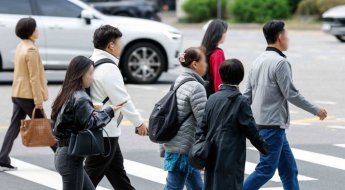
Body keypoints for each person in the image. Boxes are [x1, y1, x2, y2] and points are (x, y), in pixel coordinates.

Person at [243, 20, 328, 190]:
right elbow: (291, 94)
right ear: (280, 37)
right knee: (266, 170)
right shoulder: (280, 63)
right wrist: (316, 110)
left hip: (263, 124)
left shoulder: (258, 61)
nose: (288, 39)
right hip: (272, 126)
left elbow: (247, 95)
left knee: (289, 169)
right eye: (287, 35)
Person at [84, 25, 148, 190]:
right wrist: (139, 123)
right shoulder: (109, 68)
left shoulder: (93, 62)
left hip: (102, 130)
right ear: (111, 45)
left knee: (118, 176)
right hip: (105, 132)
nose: (121, 45)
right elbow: (122, 99)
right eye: (119, 42)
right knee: (87, 179)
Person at [51, 56, 122, 190]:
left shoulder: (67, 93)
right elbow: (92, 123)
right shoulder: (81, 97)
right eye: (90, 73)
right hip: (70, 158)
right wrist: (109, 111)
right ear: (80, 74)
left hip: (65, 154)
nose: (92, 77)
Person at [196, 59, 268, 190]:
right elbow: (251, 129)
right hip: (231, 155)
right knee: (230, 185)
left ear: (221, 76)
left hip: (211, 152)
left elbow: (202, 127)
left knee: (212, 185)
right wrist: (264, 148)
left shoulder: (212, 98)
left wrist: (200, 150)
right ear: (240, 77)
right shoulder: (241, 101)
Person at [0, 17, 49, 171]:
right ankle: (66, 158)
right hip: (28, 95)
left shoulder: (21, 46)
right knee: (46, 127)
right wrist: (38, 100)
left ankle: (2, 157)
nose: (38, 30)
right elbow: (33, 78)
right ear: (30, 32)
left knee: (14, 126)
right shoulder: (31, 50)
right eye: (36, 28)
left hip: (18, 92)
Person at [163, 47, 207, 190]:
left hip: (177, 143)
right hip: (183, 149)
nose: (206, 65)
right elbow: (203, 120)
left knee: (196, 186)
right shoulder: (196, 87)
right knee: (173, 186)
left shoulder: (178, 81)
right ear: (195, 64)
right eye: (204, 61)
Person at [201, 19, 228, 96]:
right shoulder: (218, 54)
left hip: (203, 93)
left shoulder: (203, 50)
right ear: (218, 34)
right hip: (213, 95)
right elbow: (218, 80)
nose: (225, 35)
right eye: (224, 32)